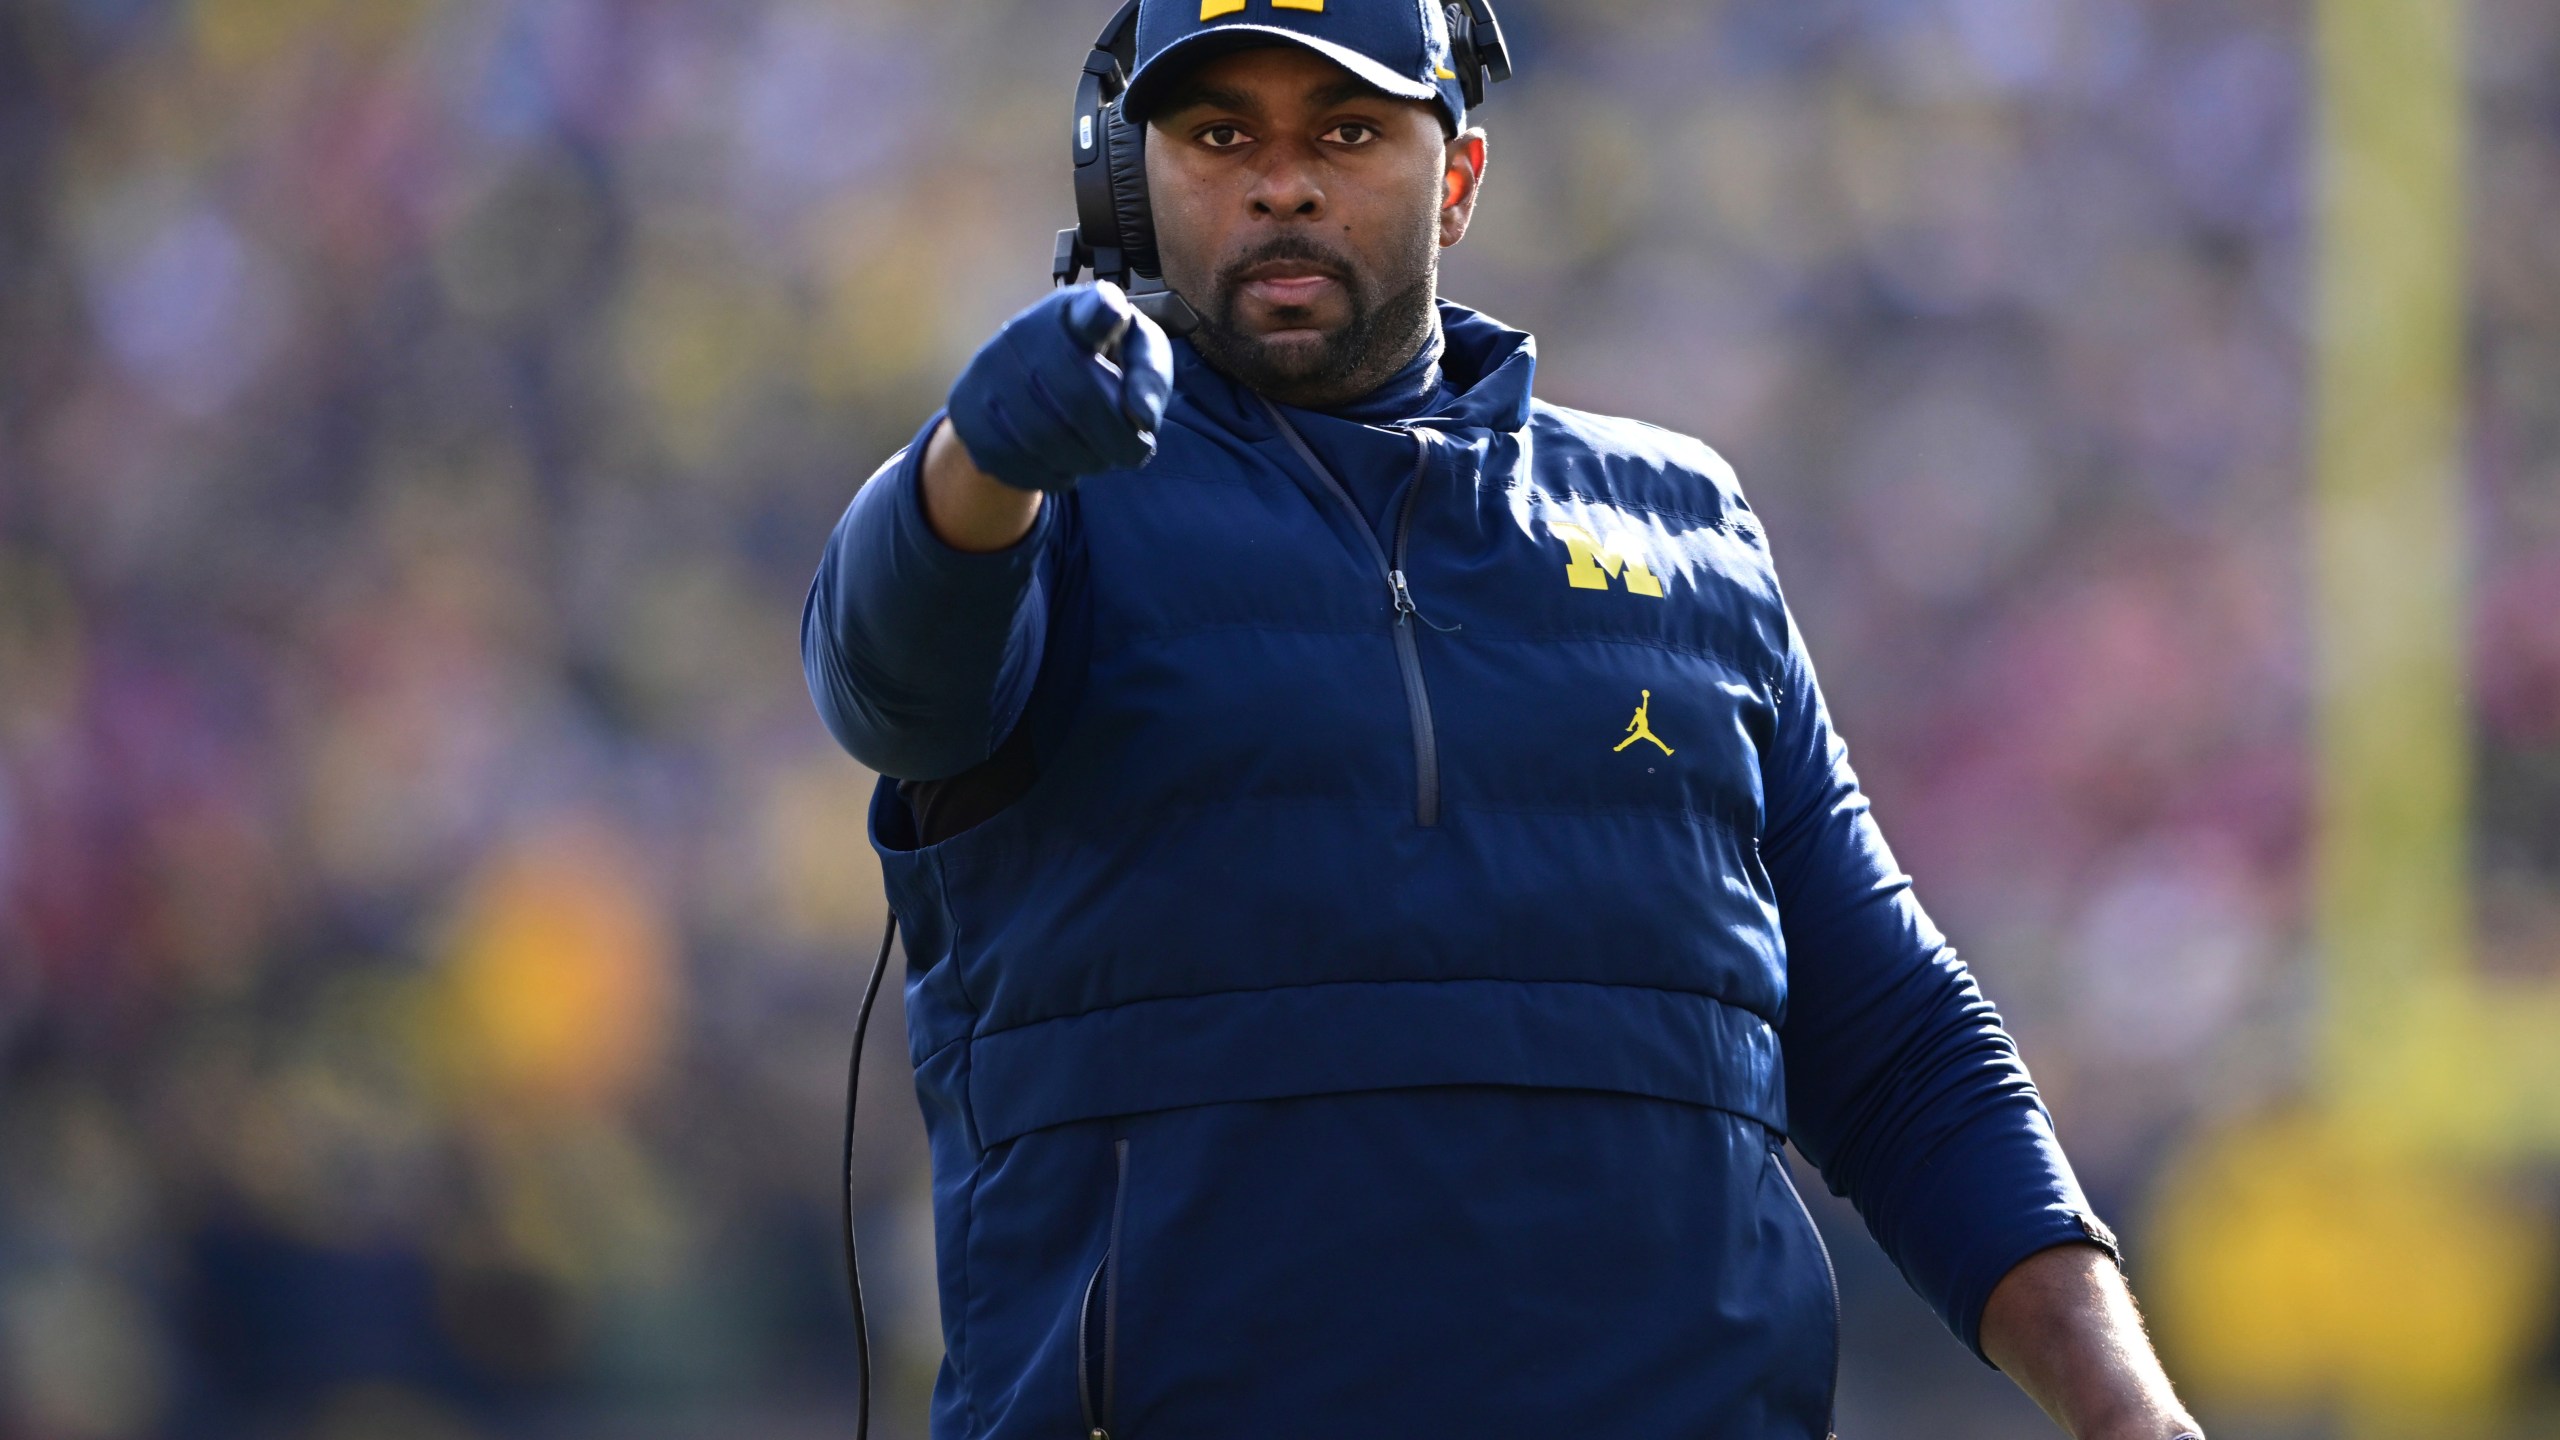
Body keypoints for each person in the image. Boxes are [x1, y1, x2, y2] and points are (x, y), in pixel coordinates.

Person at [803, 2, 2204, 1436]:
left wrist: (2132, 1416)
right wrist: (976, 460)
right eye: (1220, 136)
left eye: (1346, 132)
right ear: (1130, 182)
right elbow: (887, 679)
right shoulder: (1044, 509)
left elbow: (1899, 1046)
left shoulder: (1686, 532)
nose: (1281, 182)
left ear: (1459, 180)